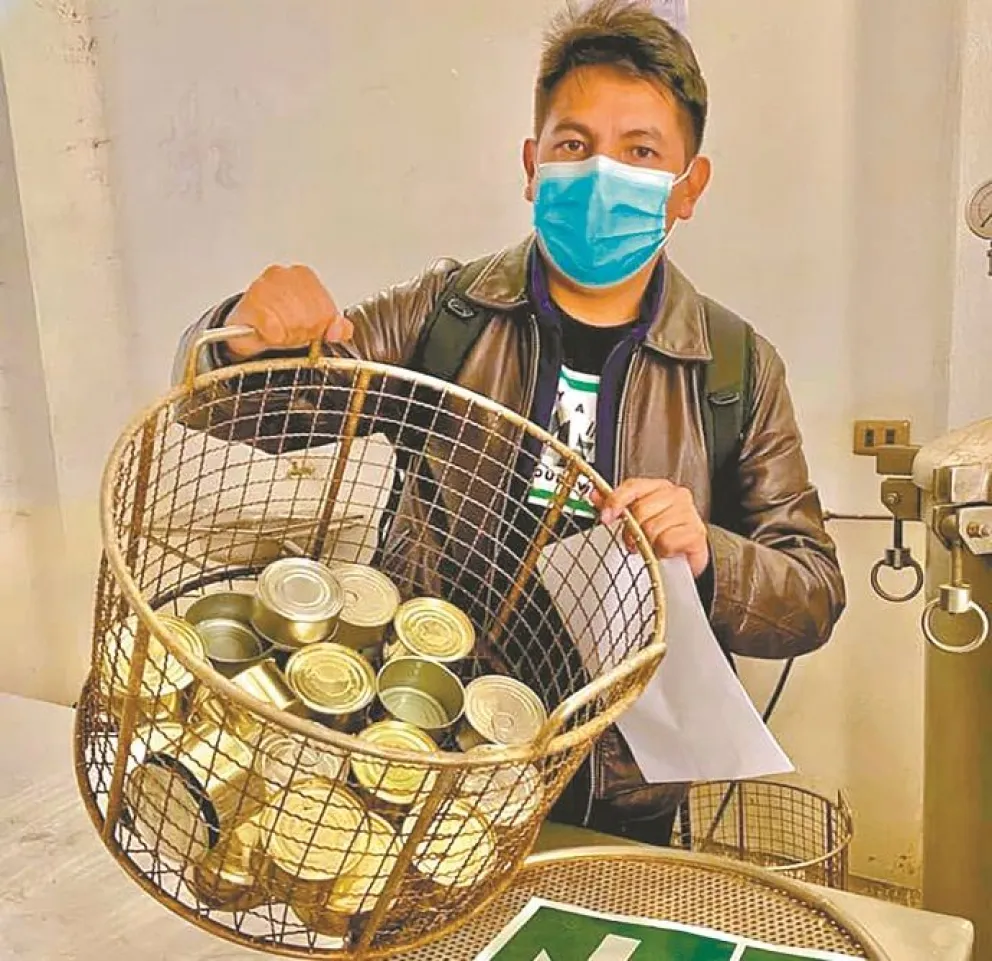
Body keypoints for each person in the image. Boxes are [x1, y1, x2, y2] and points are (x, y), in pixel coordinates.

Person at [175, 0, 845, 845]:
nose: (603, 173)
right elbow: (248, 408)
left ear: (689, 186)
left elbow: (813, 591)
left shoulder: (735, 370)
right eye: (574, 145)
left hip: (620, 788)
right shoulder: (446, 315)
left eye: (641, 152)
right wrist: (244, 333)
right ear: (532, 166)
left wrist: (711, 553)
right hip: (426, 751)